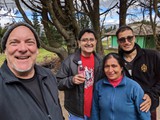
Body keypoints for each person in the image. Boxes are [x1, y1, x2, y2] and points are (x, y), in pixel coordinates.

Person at [0, 22, 64, 120]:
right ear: (5, 50)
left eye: (29, 42)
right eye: (14, 43)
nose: (23, 49)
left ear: (37, 49)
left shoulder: (48, 75)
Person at [56, 28, 103, 120]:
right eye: (84, 40)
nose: (88, 43)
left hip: (95, 110)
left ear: (96, 42)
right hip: (76, 112)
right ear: (79, 42)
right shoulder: (69, 61)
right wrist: (71, 80)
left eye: (91, 40)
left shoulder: (101, 61)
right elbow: (58, 83)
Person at [116, 25, 160, 120]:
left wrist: (151, 96)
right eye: (122, 40)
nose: (126, 42)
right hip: (125, 110)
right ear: (118, 42)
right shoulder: (116, 61)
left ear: (134, 37)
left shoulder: (152, 56)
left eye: (129, 38)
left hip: (147, 107)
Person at [91, 52, 151, 120]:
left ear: (121, 68)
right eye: (107, 66)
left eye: (114, 66)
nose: (110, 70)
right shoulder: (99, 86)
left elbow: (144, 114)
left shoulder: (134, 87)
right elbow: (95, 111)